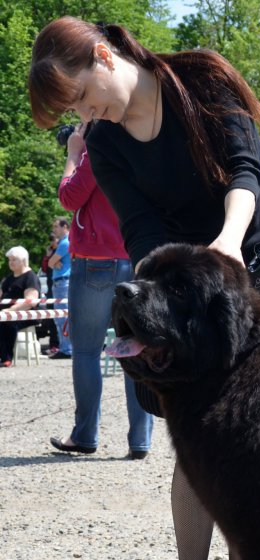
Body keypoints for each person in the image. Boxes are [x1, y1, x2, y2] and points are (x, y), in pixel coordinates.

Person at [29, 16, 260, 560]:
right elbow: (139, 230)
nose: (88, 114)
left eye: (81, 96)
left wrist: (227, 244)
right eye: (75, 110)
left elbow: (249, 175)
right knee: (196, 447)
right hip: (187, 299)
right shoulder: (104, 143)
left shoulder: (201, 82)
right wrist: (177, 292)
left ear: (104, 56)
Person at [49, 120, 153, 459]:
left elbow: (69, 197)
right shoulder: (142, 145)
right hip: (134, 257)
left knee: (86, 352)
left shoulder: (95, 149)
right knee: (135, 347)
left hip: (94, 261)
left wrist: (73, 154)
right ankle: (140, 440)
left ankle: (84, 436)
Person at [0, 247, 42, 367]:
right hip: (6, 312)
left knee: (6, 322)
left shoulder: (30, 277)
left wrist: (10, 310)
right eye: (9, 260)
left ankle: (6, 358)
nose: (11, 262)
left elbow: (30, 302)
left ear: (23, 260)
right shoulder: (8, 278)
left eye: (14, 259)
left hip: (26, 314)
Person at [49, 216, 72, 358]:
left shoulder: (65, 243)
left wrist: (54, 262)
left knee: (62, 317)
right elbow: (52, 262)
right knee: (63, 317)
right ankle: (67, 348)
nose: (54, 230)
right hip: (63, 281)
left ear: (65, 227)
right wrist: (54, 262)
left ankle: (66, 350)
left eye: (56, 227)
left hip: (62, 282)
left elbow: (51, 262)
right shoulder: (65, 242)